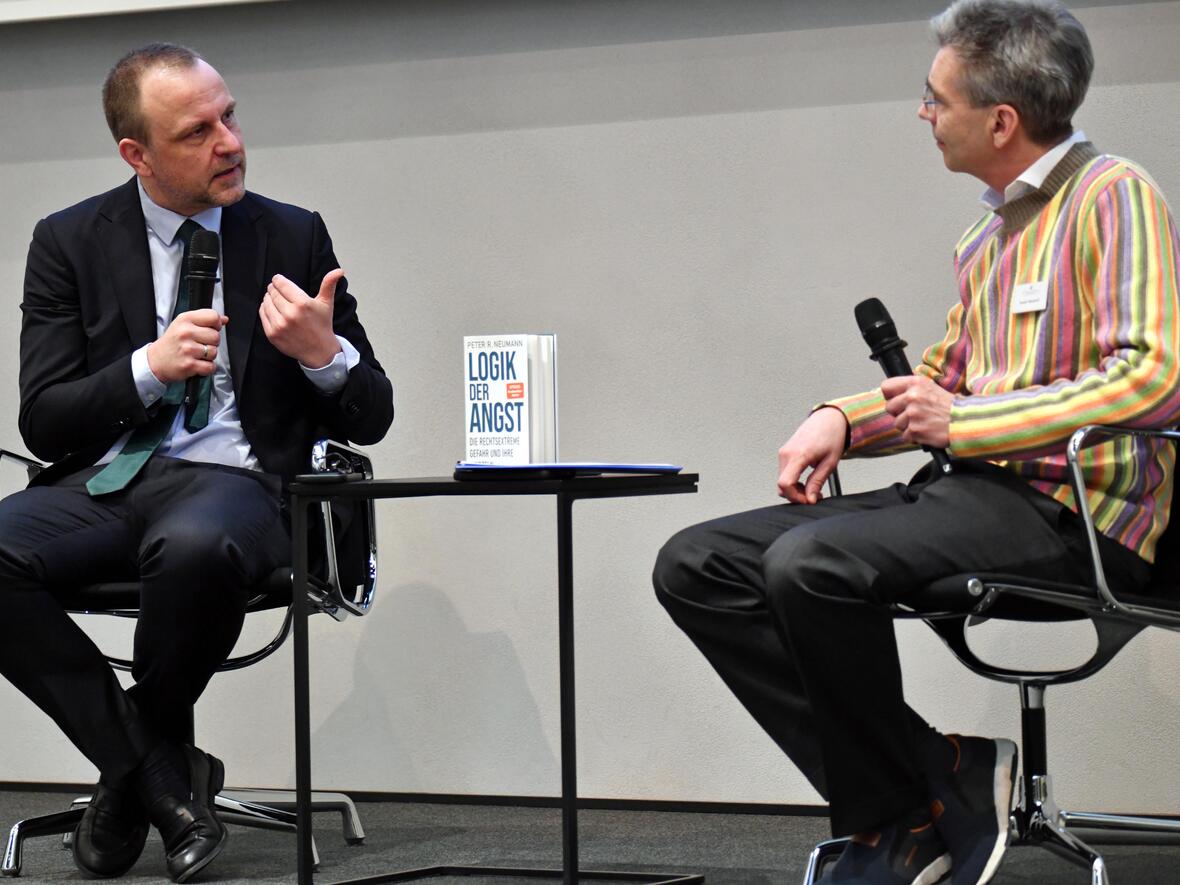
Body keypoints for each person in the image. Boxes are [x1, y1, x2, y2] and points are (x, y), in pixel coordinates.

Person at [653, 2, 1180, 884]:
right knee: (696, 563)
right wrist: (842, 418)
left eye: (936, 97)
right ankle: (934, 778)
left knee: (812, 562)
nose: (923, 112)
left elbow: (1155, 376)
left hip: (1074, 515)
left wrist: (966, 424)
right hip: (973, 496)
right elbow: (939, 384)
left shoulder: (1113, 196)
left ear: (1001, 119)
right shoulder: (987, 235)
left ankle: (902, 819)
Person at [0, 43, 393, 882]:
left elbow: (376, 412)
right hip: (105, 482)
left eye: (230, 116)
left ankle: (129, 775)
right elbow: (42, 419)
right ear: (136, 154)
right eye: (197, 131)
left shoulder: (290, 231)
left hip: (237, 484)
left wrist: (328, 356)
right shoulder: (68, 240)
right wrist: (148, 367)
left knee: (193, 545)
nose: (229, 142)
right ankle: (159, 773)